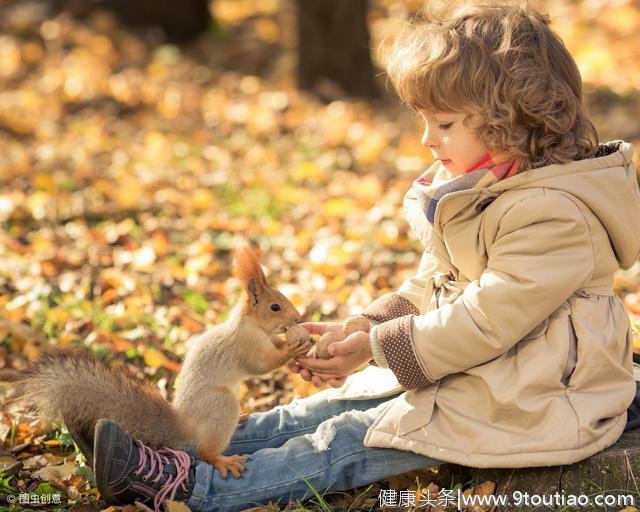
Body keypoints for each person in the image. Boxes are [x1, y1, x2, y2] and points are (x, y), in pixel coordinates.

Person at [91, 2, 640, 511]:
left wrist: (377, 348)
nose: (427, 139)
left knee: (346, 441)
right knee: (322, 411)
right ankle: (170, 443)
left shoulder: (553, 214)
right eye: (424, 120)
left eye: (444, 123)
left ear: (511, 121)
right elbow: (437, 284)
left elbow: (486, 319)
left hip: (531, 399)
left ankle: (189, 485)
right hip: (485, 374)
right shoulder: (484, 188)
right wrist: (368, 325)